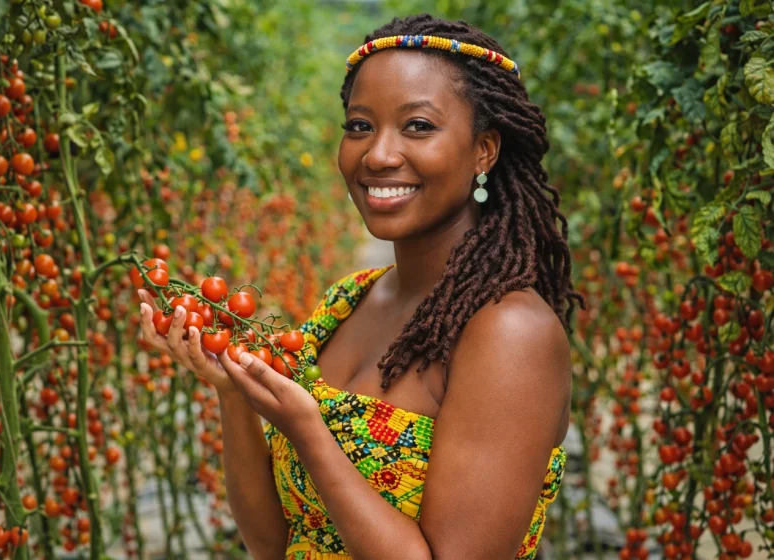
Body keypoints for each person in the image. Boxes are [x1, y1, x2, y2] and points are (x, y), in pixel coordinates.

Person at [137, 13, 584, 560]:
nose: (377, 155)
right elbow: (276, 544)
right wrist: (232, 395)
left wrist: (308, 430)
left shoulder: (509, 333)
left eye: (418, 126)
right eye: (359, 125)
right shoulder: (350, 298)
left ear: (484, 150)